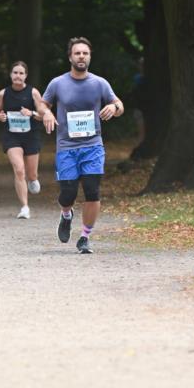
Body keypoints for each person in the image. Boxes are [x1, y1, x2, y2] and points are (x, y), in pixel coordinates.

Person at [40, 36, 123, 254]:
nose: (81, 56)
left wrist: (114, 108)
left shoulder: (99, 83)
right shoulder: (58, 83)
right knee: (67, 194)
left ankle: (85, 237)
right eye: (77, 53)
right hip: (67, 147)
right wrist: (46, 113)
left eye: (85, 53)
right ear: (70, 57)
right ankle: (66, 215)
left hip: (93, 146)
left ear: (90, 57)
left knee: (92, 191)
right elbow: (42, 105)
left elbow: (119, 104)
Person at [0, 60, 43, 219]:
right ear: (10, 75)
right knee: (19, 170)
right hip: (12, 136)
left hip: (31, 136)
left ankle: (33, 180)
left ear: (26, 76)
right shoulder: (3, 93)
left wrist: (32, 113)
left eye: (21, 73)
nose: (18, 76)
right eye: (15, 73)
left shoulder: (33, 93)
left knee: (31, 176)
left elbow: (43, 115)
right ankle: (25, 207)